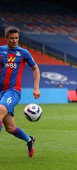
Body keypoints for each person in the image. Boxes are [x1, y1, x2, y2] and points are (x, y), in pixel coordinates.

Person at [0, 26, 40, 157]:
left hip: (13, 91)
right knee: (10, 128)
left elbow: (35, 69)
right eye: (11, 38)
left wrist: (36, 88)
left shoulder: (23, 53)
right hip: (1, 91)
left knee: (0, 110)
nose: (14, 41)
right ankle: (29, 140)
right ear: (6, 38)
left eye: (16, 38)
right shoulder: (1, 51)